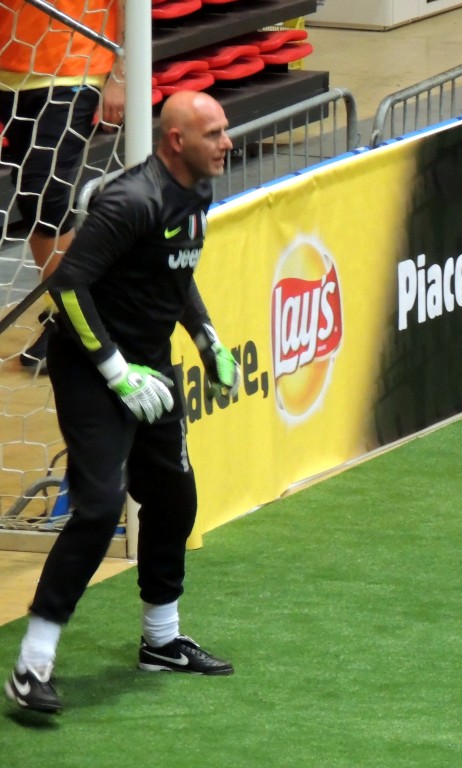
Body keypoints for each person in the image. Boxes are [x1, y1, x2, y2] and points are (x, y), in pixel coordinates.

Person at [4, 90, 240, 715]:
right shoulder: (130, 200)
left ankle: (162, 641)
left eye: (225, 130)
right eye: (214, 133)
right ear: (176, 142)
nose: (227, 142)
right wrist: (117, 372)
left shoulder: (197, 189)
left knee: (174, 497)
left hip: (152, 367)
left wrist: (207, 337)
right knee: (100, 507)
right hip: (91, 368)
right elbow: (67, 286)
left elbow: (175, 273)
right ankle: (31, 665)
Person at [0, 0, 126, 373]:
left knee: (44, 190)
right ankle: (71, 309)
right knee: (32, 198)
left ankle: (75, 320)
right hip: (10, 67)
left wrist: (120, 75)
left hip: (77, 64)